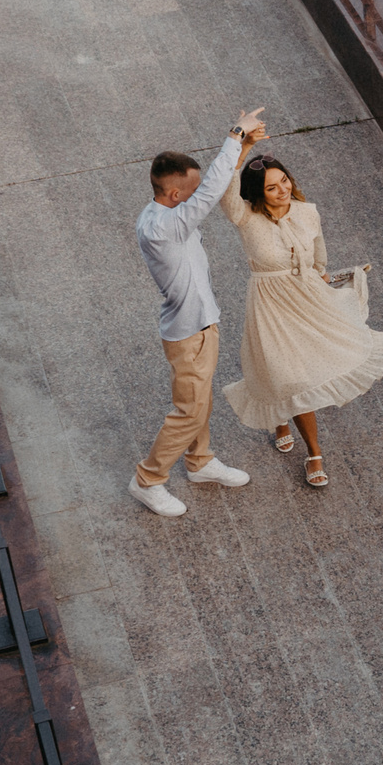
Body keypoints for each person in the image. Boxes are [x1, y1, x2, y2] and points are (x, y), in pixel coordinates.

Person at [218, 152, 383, 487]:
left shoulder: (307, 212)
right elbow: (225, 191)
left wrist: (324, 277)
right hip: (270, 301)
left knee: (312, 365)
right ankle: (313, 451)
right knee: (286, 373)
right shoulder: (246, 216)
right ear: (258, 193)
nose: (282, 190)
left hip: (308, 296)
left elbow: (319, 253)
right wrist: (239, 147)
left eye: (284, 181)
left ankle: (291, 427)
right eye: (271, 188)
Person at [129, 107, 267, 517]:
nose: (198, 196)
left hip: (202, 325)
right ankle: (147, 480)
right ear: (174, 196)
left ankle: (200, 462)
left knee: (200, 402)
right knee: (188, 411)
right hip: (187, 334)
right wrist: (234, 134)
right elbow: (208, 193)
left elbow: (211, 185)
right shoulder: (161, 226)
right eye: (189, 193)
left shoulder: (171, 214)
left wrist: (241, 150)